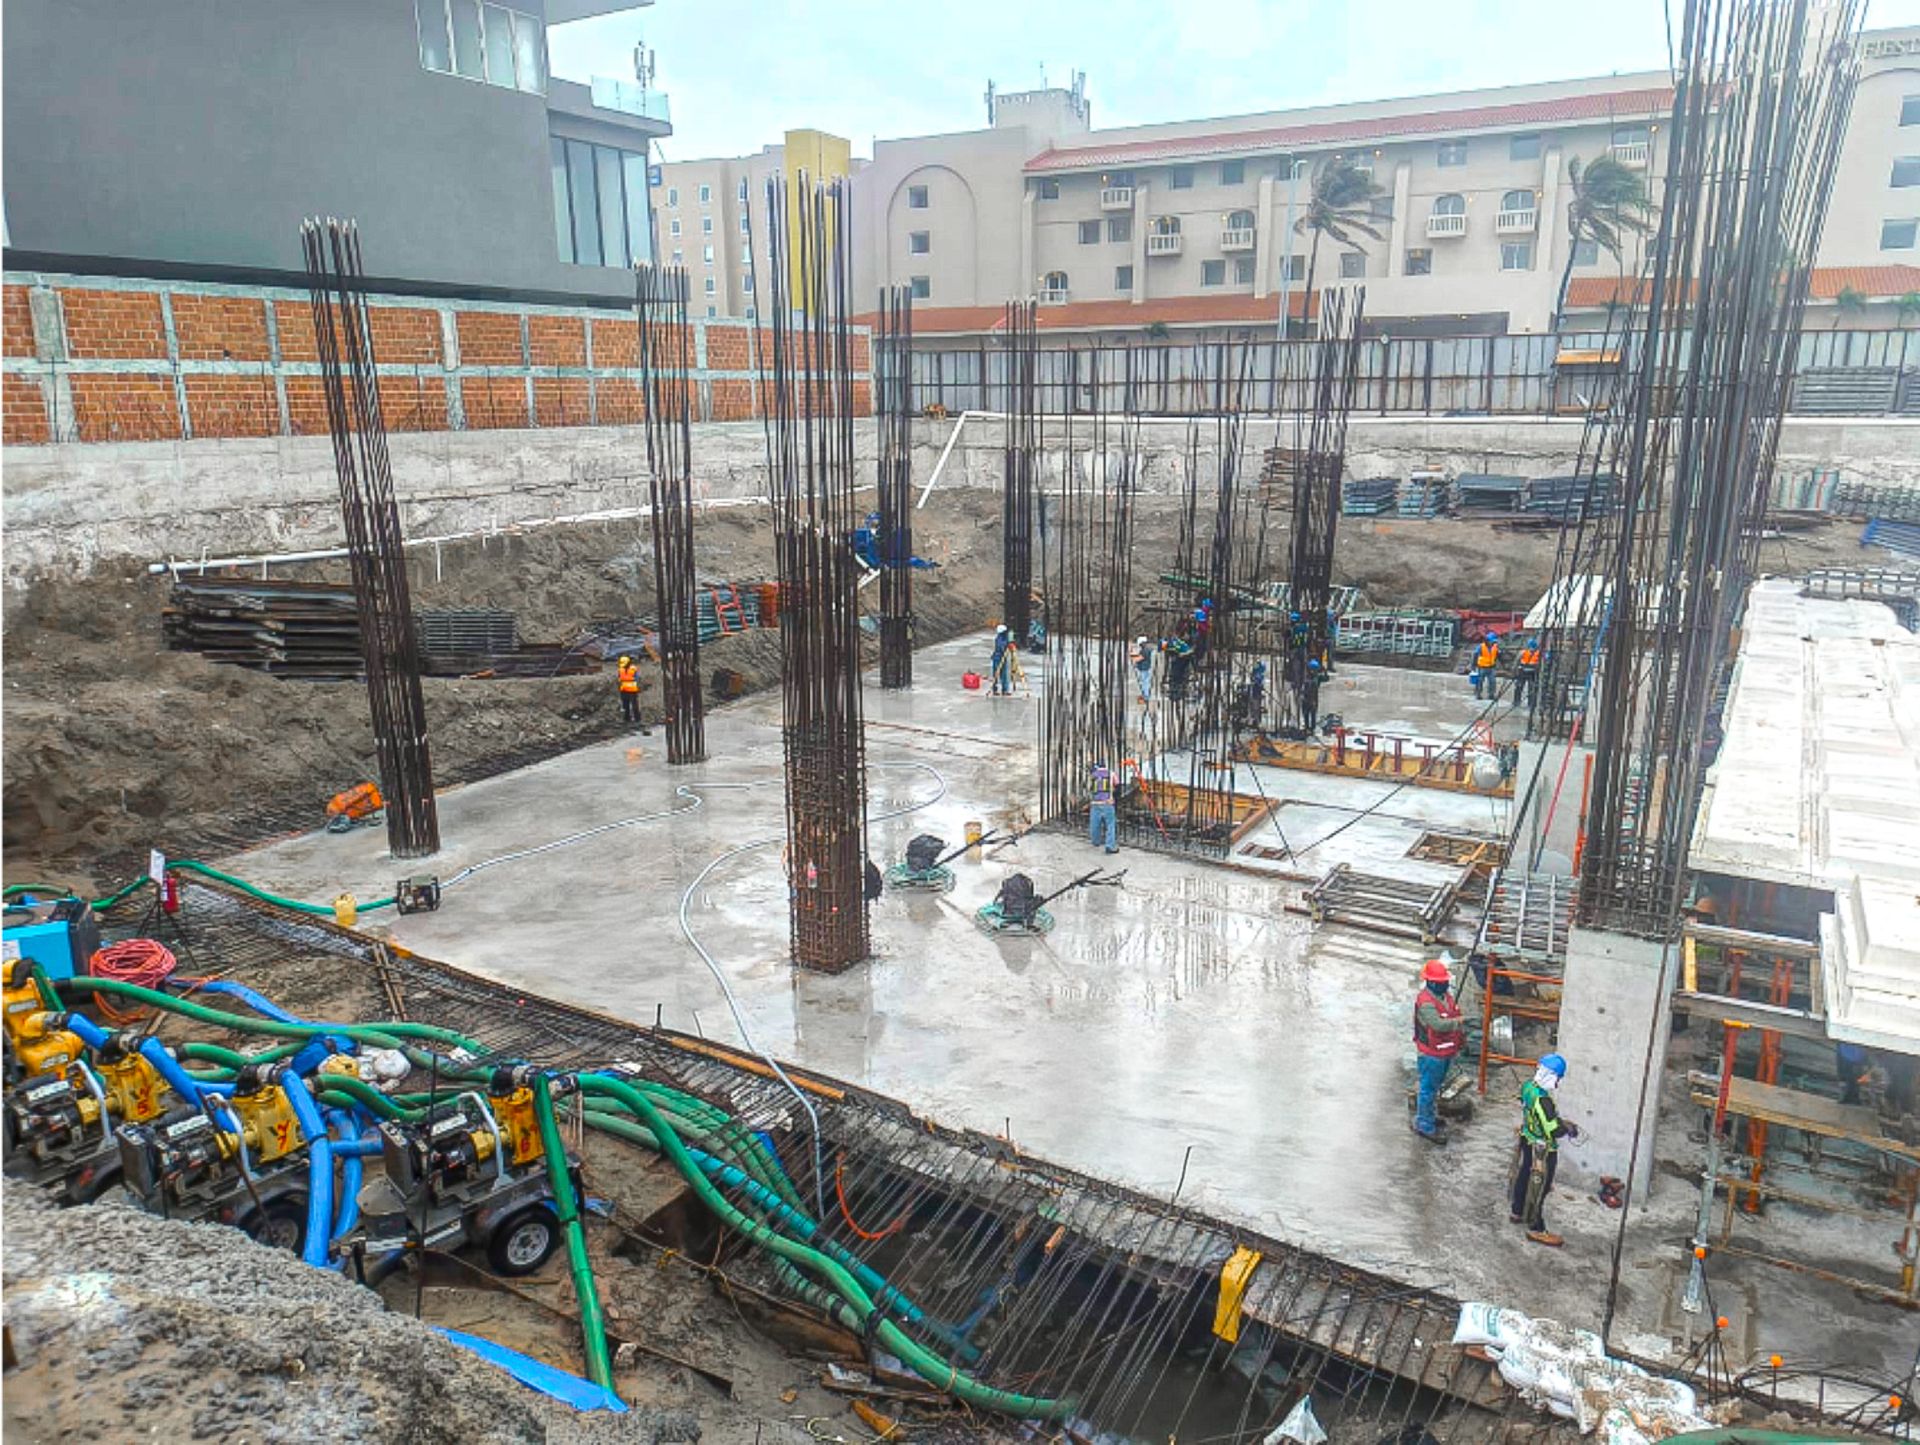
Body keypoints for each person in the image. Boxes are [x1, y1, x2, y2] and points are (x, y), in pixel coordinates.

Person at [1510, 1052, 1581, 1245]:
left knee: (1524, 1175)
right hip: (1542, 1150)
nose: (1558, 1082)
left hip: (1527, 1139)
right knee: (1540, 1187)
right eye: (1558, 1078)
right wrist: (1567, 1128)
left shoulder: (1528, 1087)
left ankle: (1517, 1211)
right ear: (1553, 1076)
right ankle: (1536, 1227)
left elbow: (1529, 1108)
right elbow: (1553, 1129)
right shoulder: (1544, 1100)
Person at [1412, 955, 1464, 1143]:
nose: (1444, 984)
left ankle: (1429, 1116)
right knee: (1427, 1089)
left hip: (1444, 1051)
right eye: (1441, 982)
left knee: (1435, 1087)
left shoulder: (1445, 997)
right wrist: (1457, 1022)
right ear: (1431, 982)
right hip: (1431, 1054)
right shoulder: (1426, 1002)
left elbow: (1451, 1012)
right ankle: (1424, 1124)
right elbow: (1437, 1025)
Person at [616, 654, 651, 734]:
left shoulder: (633, 669)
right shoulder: (621, 669)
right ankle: (627, 719)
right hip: (624, 690)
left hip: (632, 690)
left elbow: (637, 678)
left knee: (635, 706)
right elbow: (619, 679)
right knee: (625, 706)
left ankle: (637, 720)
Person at [1088, 761, 1118, 854]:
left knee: (1094, 823)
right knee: (1110, 824)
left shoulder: (1093, 775)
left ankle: (1095, 841)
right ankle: (1110, 846)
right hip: (1107, 803)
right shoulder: (1111, 773)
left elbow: (1089, 788)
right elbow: (1117, 784)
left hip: (1095, 803)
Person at [1513, 636, 1542, 707]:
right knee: (1523, 687)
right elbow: (1516, 662)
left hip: (1528, 672)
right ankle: (1523, 702)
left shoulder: (1526, 652)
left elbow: (1516, 662)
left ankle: (1523, 702)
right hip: (1526, 672)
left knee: (1527, 688)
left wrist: (1514, 671)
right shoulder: (1526, 653)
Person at [1473, 632, 1502, 701]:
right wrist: (1473, 666)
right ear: (1487, 640)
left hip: (1491, 667)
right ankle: (1478, 694)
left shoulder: (1495, 647)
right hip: (1482, 667)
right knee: (1480, 681)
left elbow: (1498, 656)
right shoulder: (1481, 646)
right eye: (1491, 641)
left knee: (1492, 681)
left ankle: (1491, 694)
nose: (1493, 643)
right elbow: (1475, 655)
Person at [989, 624, 1015, 695]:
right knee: (997, 674)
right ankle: (996, 689)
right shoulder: (1000, 638)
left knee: (1003, 674)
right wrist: (1008, 644)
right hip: (998, 658)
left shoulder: (1002, 637)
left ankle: (1004, 689)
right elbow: (1002, 647)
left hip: (1001, 657)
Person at [1130, 636, 1154, 703]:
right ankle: (1145, 695)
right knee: (1145, 682)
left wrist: (1133, 659)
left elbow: (1140, 658)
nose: (1140, 646)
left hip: (1144, 669)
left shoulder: (1145, 650)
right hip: (1145, 668)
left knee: (1145, 683)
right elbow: (1139, 656)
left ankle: (1145, 696)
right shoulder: (1146, 649)